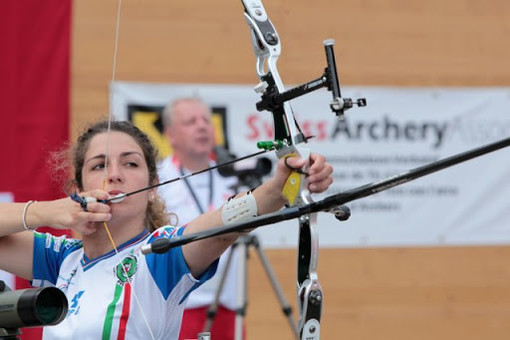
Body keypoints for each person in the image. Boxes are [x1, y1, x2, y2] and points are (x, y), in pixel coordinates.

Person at [0, 120, 333, 340]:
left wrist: (281, 188)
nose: (114, 175)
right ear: (78, 185)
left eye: (130, 164)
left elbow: (225, 224)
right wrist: (47, 211)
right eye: (99, 165)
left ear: (152, 186)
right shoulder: (61, 259)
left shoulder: (158, 255)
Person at [158, 97, 240, 340]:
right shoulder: (159, 180)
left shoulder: (233, 173)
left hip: (228, 303)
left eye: (206, 120)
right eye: (191, 122)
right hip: (181, 305)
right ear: (171, 135)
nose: (202, 126)